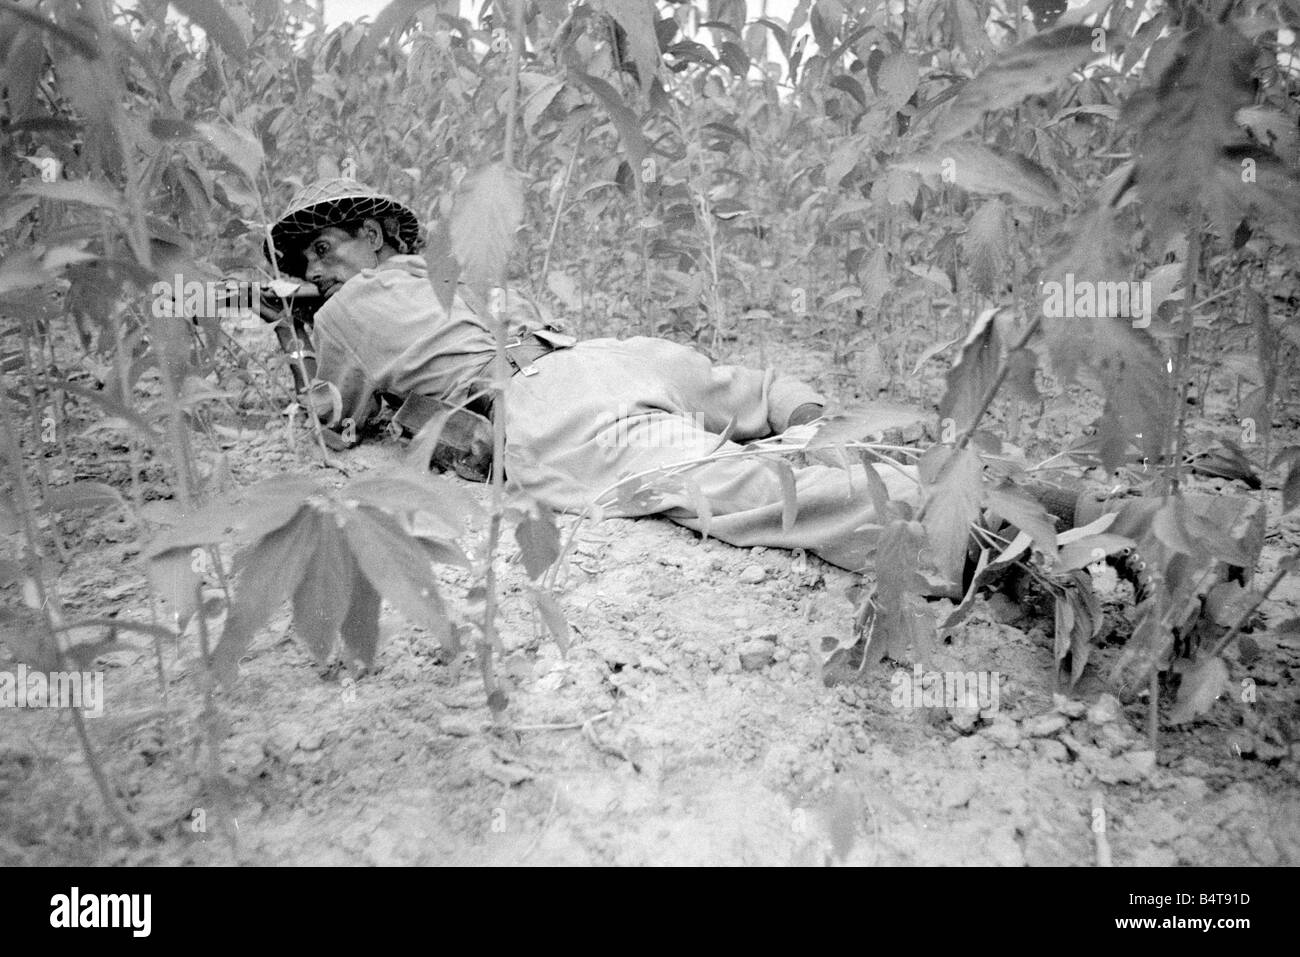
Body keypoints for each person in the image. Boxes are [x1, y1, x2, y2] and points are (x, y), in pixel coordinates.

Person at [261, 179, 956, 574]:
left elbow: (336, 424)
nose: (315, 272)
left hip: (543, 408)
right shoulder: (447, 265)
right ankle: (898, 453)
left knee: (741, 492)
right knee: (759, 395)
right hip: (602, 356)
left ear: (372, 238)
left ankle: (967, 523)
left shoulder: (341, 311)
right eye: (305, 268)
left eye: (322, 251)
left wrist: (293, 333)